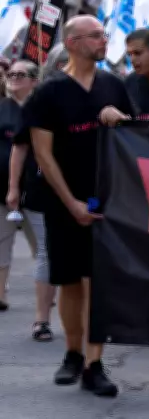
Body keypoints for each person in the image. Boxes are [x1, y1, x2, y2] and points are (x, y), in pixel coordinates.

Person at [27, 15, 135, 397]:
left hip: (102, 200)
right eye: (96, 36)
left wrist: (121, 120)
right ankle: (73, 353)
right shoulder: (49, 92)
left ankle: (94, 363)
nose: (104, 40)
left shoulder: (114, 85)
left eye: (104, 35)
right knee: (70, 282)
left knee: (97, 282)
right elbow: (43, 154)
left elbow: (134, 138)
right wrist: (70, 202)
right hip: (63, 202)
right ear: (73, 43)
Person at [0, 61, 55, 341]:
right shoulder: (4, 109)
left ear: (35, 80)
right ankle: (3, 296)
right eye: (11, 74)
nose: (13, 78)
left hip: (42, 189)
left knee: (44, 249)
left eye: (20, 75)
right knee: (4, 242)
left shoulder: (45, 107)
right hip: (10, 190)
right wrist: (11, 187)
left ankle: (47, 299)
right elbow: (17, 150)